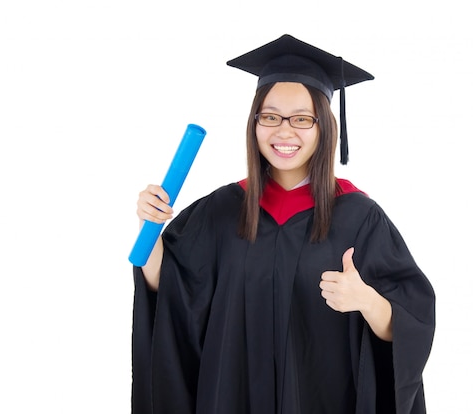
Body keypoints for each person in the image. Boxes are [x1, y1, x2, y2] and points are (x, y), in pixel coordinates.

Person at [131, 34, 435, 414]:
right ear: (254, 124)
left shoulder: (359, 217)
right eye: (271, 117)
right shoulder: (223, 209)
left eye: (302, 119)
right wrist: (152, 228)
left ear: (323, 126)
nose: (284, 131)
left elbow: (411, 324)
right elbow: (172, 291)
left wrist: (367, 301)